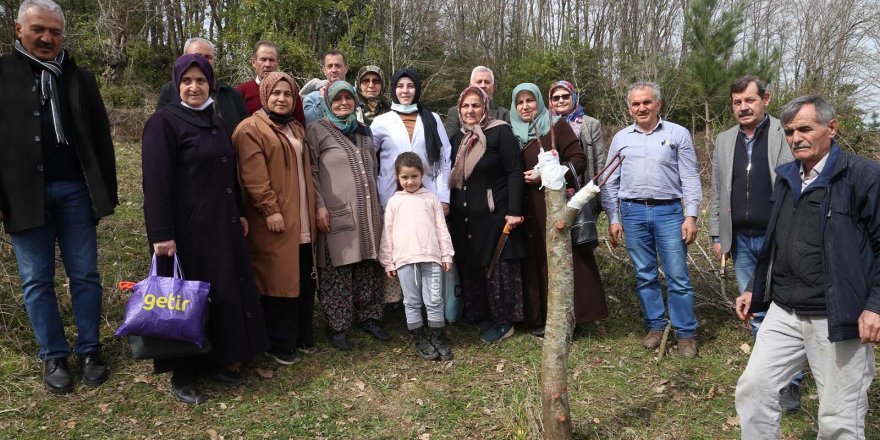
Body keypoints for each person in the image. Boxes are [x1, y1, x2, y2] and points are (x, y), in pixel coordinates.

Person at [734, 95, 880, 439]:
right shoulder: (786, 177)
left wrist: (875, 305)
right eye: (788, 131)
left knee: (838, 416)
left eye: (804, 128)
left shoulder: (863, 177)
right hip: (784, 311)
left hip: (838, 315)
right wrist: (756, 287)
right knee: (753, 389)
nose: (795, 137)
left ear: (831, 128)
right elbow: (776, 241)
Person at [0, 0, 117, 395]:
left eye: (54, 31)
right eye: (39, 30)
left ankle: (89, 350)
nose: (47, 37)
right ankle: (53, 355)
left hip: (76, 192)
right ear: (19, 30)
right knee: (36, 281)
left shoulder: (79, 78)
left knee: (85, 274)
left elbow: (101, 139)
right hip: (23, 196)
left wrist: (106, 195)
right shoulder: (2, 75)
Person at [142, 54, 269, 404]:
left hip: (220, 226)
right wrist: (161, 233)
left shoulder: (215, 121)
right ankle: (183, 372)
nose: (194, 87)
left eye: (200, 81)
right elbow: (155, 184)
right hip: (184, 233)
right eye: (187, 81)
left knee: (218, 294)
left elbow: (229, 173)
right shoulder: (163, 123)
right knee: (183, 300)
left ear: (210, 84)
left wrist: (239, 212)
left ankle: (214, 359)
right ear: (177, 86)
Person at [707, 75, 800, 411]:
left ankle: (790, 383)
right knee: (756, 309)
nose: (743, 107)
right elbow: (718, 189)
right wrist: (717, 233)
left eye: (749, 100)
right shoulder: (724, 140)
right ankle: (768, 379)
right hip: (741, 239)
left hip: (779, 235)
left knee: (786, 307)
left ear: (766, 99)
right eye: (737, 102)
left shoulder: (786, 133)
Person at [599, 81, 701, 358]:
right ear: (630, 108)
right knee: (645, 274)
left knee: (677, 275)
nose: (641, 108)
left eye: (646, 102)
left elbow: (690, 177)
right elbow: (610, 182)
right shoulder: (621, 139)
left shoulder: (677, 134)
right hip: (632, 213)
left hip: (668, 211)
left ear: (658, 104)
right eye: (635, 104)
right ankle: (656, 326)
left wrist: (690, 215)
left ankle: (685, 334)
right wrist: (613, 217)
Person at [232, 71, 317, 365]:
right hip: (275, 219)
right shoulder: (250, 129)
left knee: (303, 274)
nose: (282, 99)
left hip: (301, 216)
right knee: (277, 280)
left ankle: (302, 335)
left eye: (288, 94)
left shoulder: (296, 128)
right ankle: (279, 343)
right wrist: (270, 210)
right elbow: (253, 177)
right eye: (276, 94)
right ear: (265, 95)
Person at [512, 83, 608, 338]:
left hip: (553, 204)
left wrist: (546, 173)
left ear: (541, 102)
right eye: (519, 102)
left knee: (564, 258)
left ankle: (574, 316)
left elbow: (578, 159)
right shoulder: (513, 133)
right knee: (538, 262)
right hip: (528, 208)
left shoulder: (555, 126)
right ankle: (543, 317)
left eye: (530, 100)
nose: (525, 106)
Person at [306, 80, 390, 351]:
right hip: (335, 210)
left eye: (348, 98)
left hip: (367, 211)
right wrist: (319, 205)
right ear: (328, 104)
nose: (343, 102)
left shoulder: (364, 131)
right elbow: (313, 171)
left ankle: (369, 317)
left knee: (368, 263)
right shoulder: (317, 130)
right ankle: (338, 326)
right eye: (337, 99)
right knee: (337, 268)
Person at [447, 86, 526, 343]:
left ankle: (504, 321)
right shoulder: (457, 138)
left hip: (495, 213)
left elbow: (515, 171)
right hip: (467, 215)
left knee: (498, 266)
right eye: (465, 106)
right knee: (473, 262)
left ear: (485, 108)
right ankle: (480, 314)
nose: (470, 111)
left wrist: (514, 210)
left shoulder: (499, 132)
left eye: (476, 106)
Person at [379, 152, 455, 360]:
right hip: (405, 260)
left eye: (414, 176)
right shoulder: (395, 202)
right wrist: (388, 261)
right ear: (397, 177)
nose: (410, 181)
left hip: (431, 257)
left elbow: (441, 229)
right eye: (405, 177)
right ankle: (419, 338)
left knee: (434, 299)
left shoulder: (431, 199)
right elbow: (388, 233)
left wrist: (446, 255)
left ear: (422, 175)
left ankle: (437, 337)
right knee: (412, 301)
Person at [372, 68, 452, 209]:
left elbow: (444, 158)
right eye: (400, 86)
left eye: (410, 86)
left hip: (427, 192)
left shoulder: (433, 119)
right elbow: (368, 158)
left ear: (417, 89)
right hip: (391, 195)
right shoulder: (380, 122)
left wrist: (444, 196)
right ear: (393, 89)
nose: (405, 91)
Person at [156, 37, 248, 135]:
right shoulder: (170, 90)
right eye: (197, 55)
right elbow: (160, 129)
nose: (203, 61)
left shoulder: (231, 94)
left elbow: (245, 131)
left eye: (208, 57)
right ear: (184, 57)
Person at [548, 80, 605, 215]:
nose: (560, 101)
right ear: (550, 101)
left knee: (584, 233)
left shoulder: (590, 124)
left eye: (565, 96)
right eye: (555, 98)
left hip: (583, 188)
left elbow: (599, 160)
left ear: (573, 97)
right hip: (555, 190)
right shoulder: (544, 125)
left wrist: (601, 195)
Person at [235, 40, 305, 125]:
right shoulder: (240, 92)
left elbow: (300, 126)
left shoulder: (290, 92)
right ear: (254, 62)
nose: (267, 64)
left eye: (272, 60)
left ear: (277, 63)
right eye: (263, 59)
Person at [444, 66, 510, 139]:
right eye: (479, 82)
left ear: (493, 87)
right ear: (470, 86)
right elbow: (449, 142)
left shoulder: (505, 114)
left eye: (487, 82)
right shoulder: (455, 112)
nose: (483, 85)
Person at [302, 50, 349, 125]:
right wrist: (322, 101)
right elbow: (309, 123)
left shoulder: (355, 94)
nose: (334, 70)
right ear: (324, 70)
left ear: (346, 69)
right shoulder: (313, 98)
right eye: (329, 66)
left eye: (338, 66)